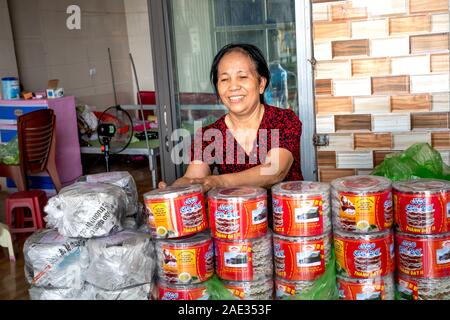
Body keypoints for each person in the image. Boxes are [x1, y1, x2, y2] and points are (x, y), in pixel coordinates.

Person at [159, 43, 303, 192]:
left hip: (288, 213)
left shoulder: (283, 120)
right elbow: (194, 177)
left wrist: (219, 181)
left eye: (242, 77)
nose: (233, 86)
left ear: (261, 83)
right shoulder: (210, 135)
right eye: (224, 79)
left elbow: (274, 172)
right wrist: (175, 189)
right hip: (235, 215)